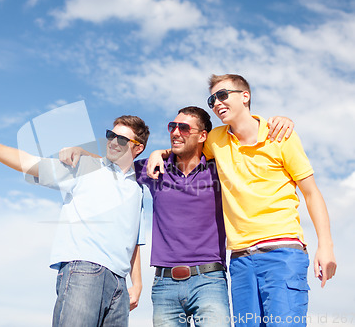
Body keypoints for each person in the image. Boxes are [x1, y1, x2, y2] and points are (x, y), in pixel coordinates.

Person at [61, 108, 294, 327]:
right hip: (164, 285)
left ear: (203, 135)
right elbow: (116, 163)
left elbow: (249, 146)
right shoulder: (153, 169)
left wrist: (281, 121)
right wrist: (84, 154)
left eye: (184, 128)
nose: (175, 132)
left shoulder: (220, 169)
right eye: (172, 126)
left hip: (210, 281)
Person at [148, 74, 337, 326]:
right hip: (240, 261)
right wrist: (157, 152)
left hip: (282, 253)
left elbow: (312, 193)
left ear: (245, 96)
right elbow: (185, 147)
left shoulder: (281, 135)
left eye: (223, 95)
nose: (216, 103)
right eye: (212, 99)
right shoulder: (215, 140)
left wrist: (326, 247)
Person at [0, 115, 150, 327]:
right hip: (84, 271)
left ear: (138, 148)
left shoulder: (138, 189)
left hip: (119, 283)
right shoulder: (85, 167)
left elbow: (134, 237)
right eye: (111, 135)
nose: (114, 142)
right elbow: (27, 162)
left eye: (123, 140)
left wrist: (137, 283)